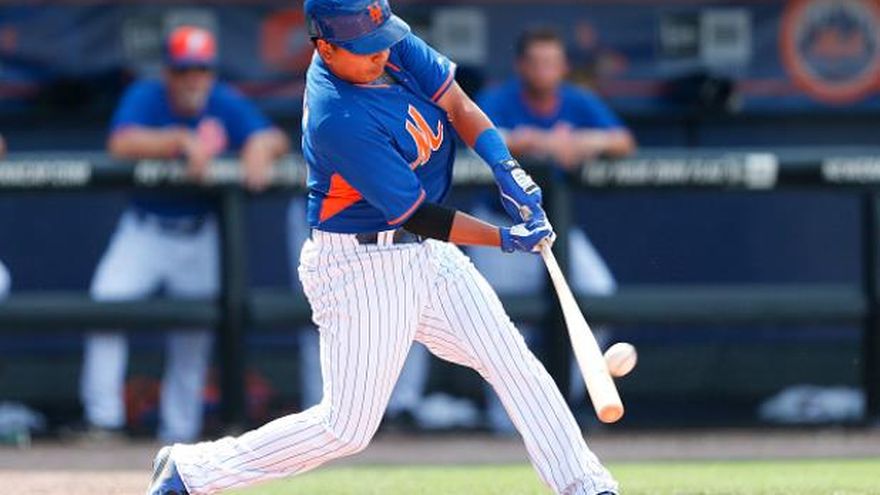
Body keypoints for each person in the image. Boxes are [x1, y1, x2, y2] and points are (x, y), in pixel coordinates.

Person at [147, 2, 618, 494]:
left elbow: (458, 104)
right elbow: (417, 214)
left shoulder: (385, 41)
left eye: (381, 40)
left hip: (428, 256)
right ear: (325, 47)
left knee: (511, 361)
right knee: (345, 428)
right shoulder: (335, 115)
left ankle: (585, 485)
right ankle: (192, 470)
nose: (379, 54)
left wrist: (507, 169)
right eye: (364, 48)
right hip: (363, 266)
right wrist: (504, 238)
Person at [79, 26, 289, 443]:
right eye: (183, 70)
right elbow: (121, 142)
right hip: (146, 230)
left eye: (200, 70)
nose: (193, 79)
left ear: (211, 73)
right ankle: (103, 421)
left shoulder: (223, 101)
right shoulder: (147, 95)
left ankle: (180, 433)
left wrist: (260, 146)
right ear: (168, 73)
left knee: (194, 336)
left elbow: (273, 136)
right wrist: (177, 140)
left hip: (198, 234)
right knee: (106, 307)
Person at [470, 27, 636, 433]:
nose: (545, 70)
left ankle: (569, 404)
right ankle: (507, 417)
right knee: (500, 322)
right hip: (500, 227)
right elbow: (477, 136)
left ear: (563, 67)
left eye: (552, 62)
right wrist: (537, 142)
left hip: (551, 227)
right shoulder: (500, 99)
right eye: (537, 62)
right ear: (521, 66)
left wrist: (585, 143)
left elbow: (623, 141)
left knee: (598, 293)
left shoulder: (576, 100)